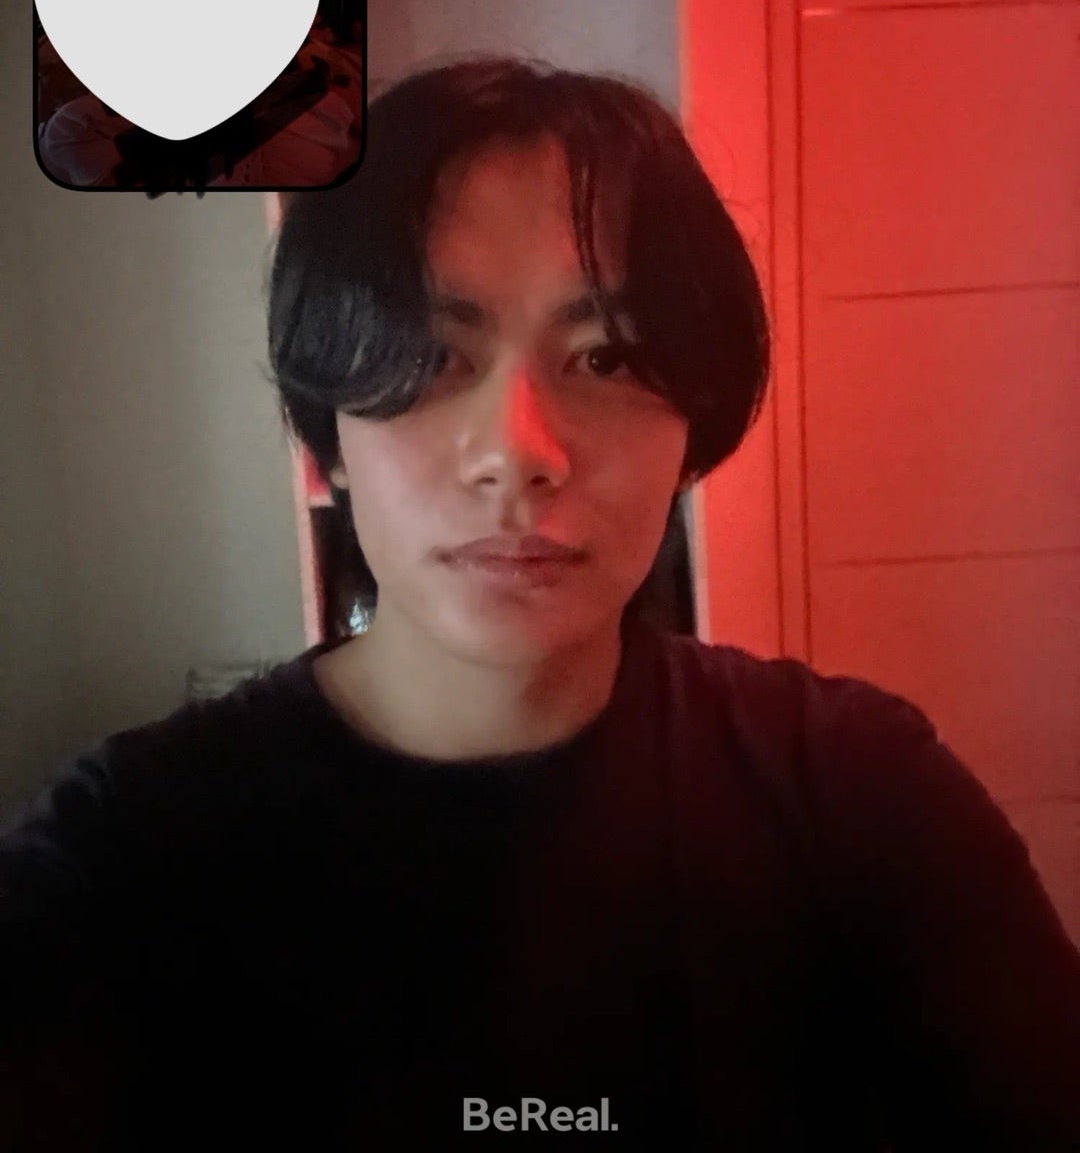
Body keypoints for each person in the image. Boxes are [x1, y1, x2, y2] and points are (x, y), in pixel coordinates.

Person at [2, 57, 1078, 1150]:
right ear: (329, 439)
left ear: (689, 431)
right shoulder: (122, 856)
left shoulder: (857, 795)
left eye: (604, 357)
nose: (518, 452)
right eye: (431, 355)